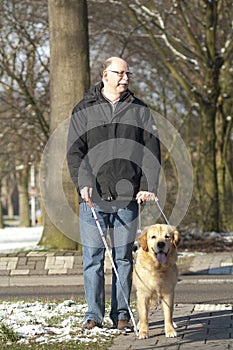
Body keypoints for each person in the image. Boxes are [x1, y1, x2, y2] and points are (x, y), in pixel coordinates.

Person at [67, 57, 161, 330]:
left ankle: (121, 314)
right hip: (92, 197)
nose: (125, 78)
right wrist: (82, 183)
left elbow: (151, 150)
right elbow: (75, 151)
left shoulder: (139, 110)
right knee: (93, 258)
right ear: (105, 74)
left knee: (122, 257)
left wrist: (148, 185)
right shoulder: (84, 108)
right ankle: (93, 315)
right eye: (120, 73)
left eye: (127, 73)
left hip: (127, 196)